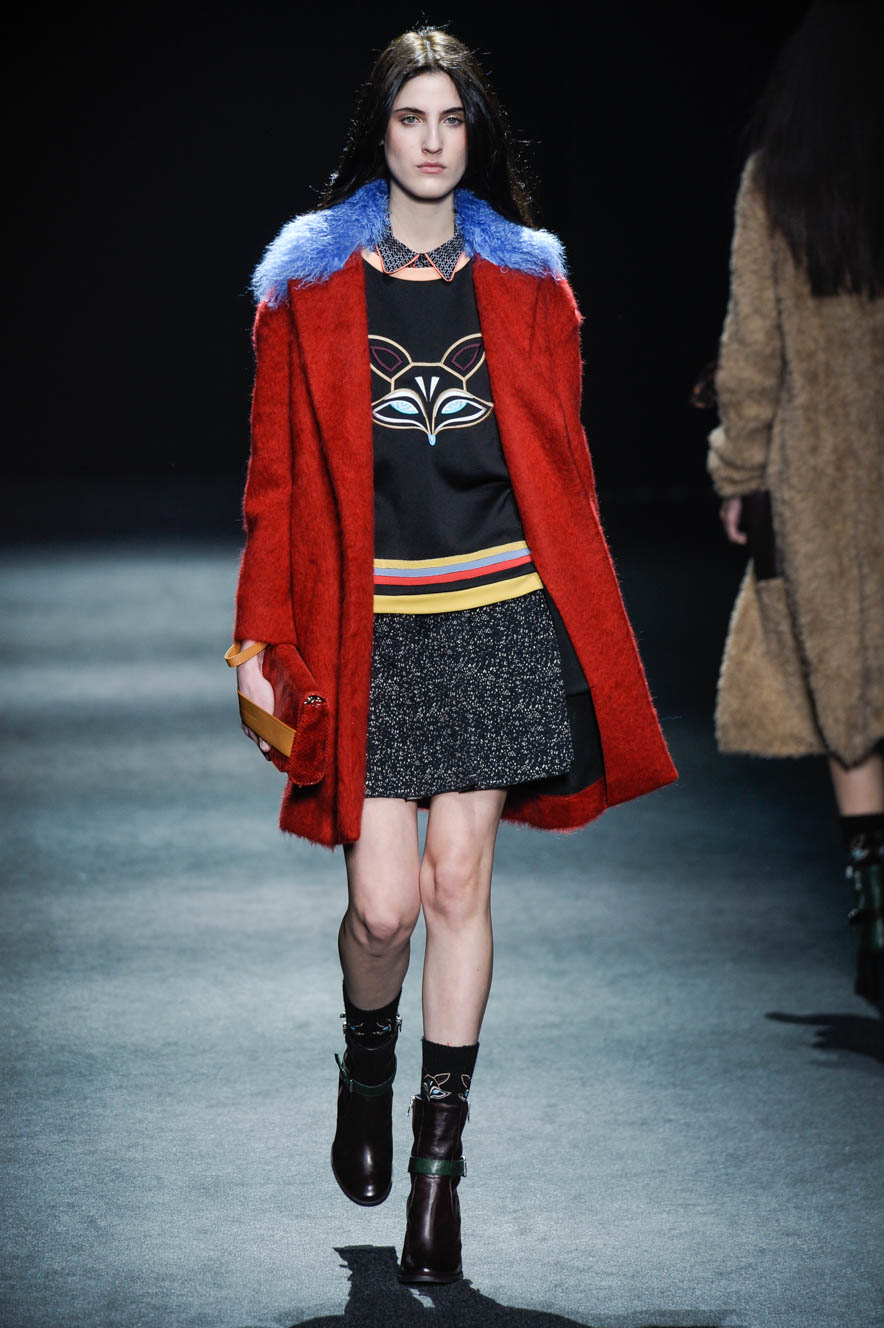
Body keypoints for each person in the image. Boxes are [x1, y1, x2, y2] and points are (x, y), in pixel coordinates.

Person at [228, 28, 676, 1285]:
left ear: (474, 135)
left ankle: (438, 1173)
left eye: (451, 118)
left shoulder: (531, 284)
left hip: (495, 608)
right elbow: (273, 481)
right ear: (377, 131)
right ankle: (365, 1064)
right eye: (409, 117)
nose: (431, 140)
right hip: (368, 625)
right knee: (379, 908)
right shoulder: (305, 287)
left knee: (454, 883)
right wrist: (260, 634)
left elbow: (562, 466)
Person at [707, 0, 884, 1004]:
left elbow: (752, 350)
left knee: (848, 698)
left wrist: (738, 474)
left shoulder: (779, 180)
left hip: (821, 477)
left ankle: (873, 904)